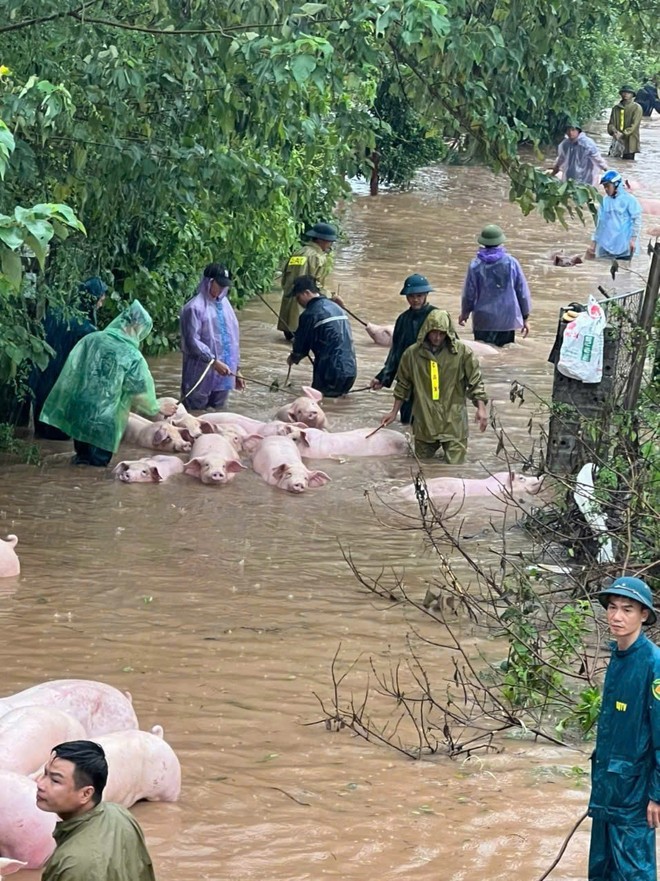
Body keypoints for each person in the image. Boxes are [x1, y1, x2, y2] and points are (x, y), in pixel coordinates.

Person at [40, 300, 175, 466]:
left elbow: (73, 372)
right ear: (138, 327)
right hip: (104, 420)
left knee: (81, 459)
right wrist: (157, 407)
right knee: (97, 469)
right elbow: (139, 393)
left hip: (81, 410)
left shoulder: (91, 339)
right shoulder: (133, 356)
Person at [588, 577, 660, 881]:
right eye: (612, 608)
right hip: (608, 789)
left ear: (643, 615)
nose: (617, 617)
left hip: (635, 797)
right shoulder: (618, 657)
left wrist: (657, 795)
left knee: (634, 874)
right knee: (602, 871)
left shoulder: (653, 664)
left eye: (627, 609)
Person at [36, 739, 156, 881]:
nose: (40, 784)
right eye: (45, 773)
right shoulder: (119, 813)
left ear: (86, 794)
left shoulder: (74, 865)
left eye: (55, 780)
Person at [380, 310, 488, 462]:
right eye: (434, 333)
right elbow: (403, 385)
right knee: (422, 467)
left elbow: (475, 382)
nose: (437, 337)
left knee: (456, 470)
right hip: (425, 421)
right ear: (426, 331)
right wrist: (393, 412)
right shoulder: (412, 355)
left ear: (448, 333)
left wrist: (481, 408)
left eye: (442, 333)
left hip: (453, 422)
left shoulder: (462, 354)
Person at [30, 277, 108, 440]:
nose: (103, 300)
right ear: (93, 298)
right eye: (102, 296)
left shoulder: (56, 314)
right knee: (59, 438)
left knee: (41, 435)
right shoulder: (87, 329)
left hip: (41, 381)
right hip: (63, 388)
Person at [370, 273, 439, 424]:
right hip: (408, 376)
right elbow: (396, 353)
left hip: (433, 375)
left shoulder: (437, 317)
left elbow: (453, 350)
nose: (415, 300)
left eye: (419, 296)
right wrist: (383, 377)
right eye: (411, 296)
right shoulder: (403, 319)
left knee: (433, 420)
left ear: (426, 294)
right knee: (408, 420)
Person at [179, 263, 244, 410]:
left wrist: (237, 370)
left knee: (219, 418)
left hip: (224, 373)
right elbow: (192, 342)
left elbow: (232, 340)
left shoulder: (225, 305)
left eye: (224, 286)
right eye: (219, 285)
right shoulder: (194, 308)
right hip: (200, 374)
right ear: (209, 281)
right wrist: (213, 362)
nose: (221, 289)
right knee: (194, 416)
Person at [459, 225, 532, 347]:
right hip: (507, 320)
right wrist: (525, 317)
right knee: (505, 356)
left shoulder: (475, 265)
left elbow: (469, 293)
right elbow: (522, 292)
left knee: (485, 353)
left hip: (483, 320)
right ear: (501, 242)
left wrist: (465, 313)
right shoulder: (511, 263)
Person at [286, 275, 357, 397]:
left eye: (298, 297)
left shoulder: (309, 314)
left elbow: (301, 347)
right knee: (336, 405)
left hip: (330, 373)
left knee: (318, 404)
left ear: (307, 293)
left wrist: (293, 358)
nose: (298, 302)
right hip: (350, 370)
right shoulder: (336, 307)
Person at [277, 222, 337, 339]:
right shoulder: (315, 257)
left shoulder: (299, 252)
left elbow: (285, 279)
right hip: (303, 313)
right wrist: (331, 296)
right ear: (320, 240)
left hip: (288, 315)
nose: (330, 245)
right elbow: (313, 285)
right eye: (329, 241)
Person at [586, 170, 642, 261]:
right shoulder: (604, 201)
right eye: (604, 187)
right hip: (606, 245)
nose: (606, 189)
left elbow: (637, 220)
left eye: (608, 186)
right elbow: (600, 223)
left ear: (616, 184)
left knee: (623, 271)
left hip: (624, 246)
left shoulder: (630, 200)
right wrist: (593, 243)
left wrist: (633, 240)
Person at [607, 86, 643, 160]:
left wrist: (623, 134)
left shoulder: (637, 108)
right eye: (624, 92)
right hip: (617, 138)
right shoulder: (616, 108)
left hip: (630, 140)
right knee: (612, 160)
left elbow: (634, 125)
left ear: (632, 95)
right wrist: (614, 131)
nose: (626, 94)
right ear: (621, 94)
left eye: (629, 93)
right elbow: (611, 123)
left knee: (628, 162)